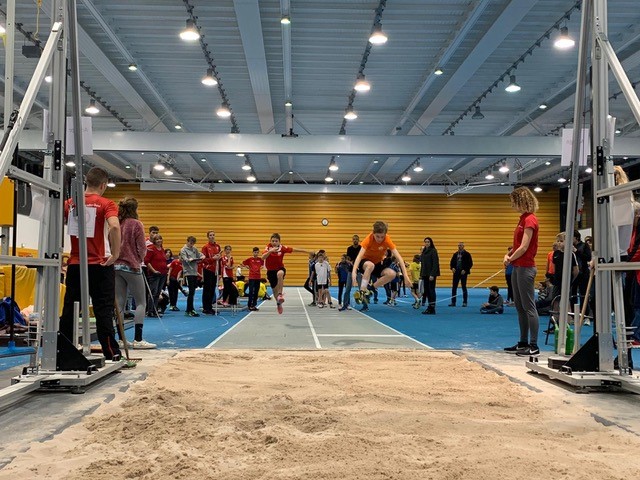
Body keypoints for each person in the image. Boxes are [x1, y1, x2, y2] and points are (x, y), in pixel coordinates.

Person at [59, 167, 125, 362]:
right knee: (103, 309)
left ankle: (62, 352)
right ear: (103, 185)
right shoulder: (106, 203)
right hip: (100, 264)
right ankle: (111, 352)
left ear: (87, 182)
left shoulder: (70, 203)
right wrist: (115, 254)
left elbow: (55, 224)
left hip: (76, 264)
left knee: (70, 310)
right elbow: (114, 226)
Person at [114, 197, 156, 349]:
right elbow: (142, 248)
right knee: (141, 302)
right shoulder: (136, 224)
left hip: (116, 266)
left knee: (119, 302)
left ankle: (120, 340)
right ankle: (138, 339)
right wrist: (139, 259)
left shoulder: (117, 223)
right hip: (132, 266)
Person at [503, 186, 540, 356]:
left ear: (521, 201)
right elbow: (517, 246)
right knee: (519, 306)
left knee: (529, 306)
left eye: (514, 202)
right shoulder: (522, 219)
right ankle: (523, 342)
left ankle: (534, 345)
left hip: (526, 267)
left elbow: (525, 247)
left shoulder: (530, 220)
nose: (512, 205)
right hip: (517, 267)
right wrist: (508, 254)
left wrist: (510, 258)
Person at [351, 221, 411, 313]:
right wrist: (354, 271)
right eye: (377, 236)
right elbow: (359, 257)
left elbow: (399, 258)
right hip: (365, 262)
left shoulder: (387, 239)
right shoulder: (369, 239)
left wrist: (406, 276)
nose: (380, 239)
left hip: (378, 263)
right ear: (373, 233)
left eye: (382, 237)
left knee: (392, 274)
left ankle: (370, 290)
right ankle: (362, 291)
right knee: (370, 265)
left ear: (385, 235)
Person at [262, 233, 309, 314]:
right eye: (273, 241)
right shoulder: (268, 248)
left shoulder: (282, 248)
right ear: (270, 241)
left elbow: (295, 250)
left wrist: (308, 252)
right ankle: (278, 304)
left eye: (276, 241)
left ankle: (280, 294)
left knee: (280, 274)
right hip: (270, 271)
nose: (274, 242)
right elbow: (263, 257)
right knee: (274, 291)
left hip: (280, 268)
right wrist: (270, 251)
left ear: (279, 242)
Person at [180, 236, 204, 317]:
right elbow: (185, 259)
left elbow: (199, 255)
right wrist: (189, 259)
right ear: (187, 241)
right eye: (190, 243)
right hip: (188, 272)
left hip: (194, 272)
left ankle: (189, 309)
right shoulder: (183, 250)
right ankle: (190, 309)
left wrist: (202, 257)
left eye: (193, 243)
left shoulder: (194, 248)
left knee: (193, 291)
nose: (192, 245)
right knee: (191, 292)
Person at [144, 234, 168, 317]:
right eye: (157, 239)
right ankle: (150, 311)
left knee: (158, 293)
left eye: (160, 239)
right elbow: (146, 261)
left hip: (163, 273)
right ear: (154, 241)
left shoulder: (162, 249)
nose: (159, 241)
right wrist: (154, 271)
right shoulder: (151, 248)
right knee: (153, 292)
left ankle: (155, 310)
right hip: (154, 274)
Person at [201, 231, 222, 315]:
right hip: (208, 270)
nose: (212, 236)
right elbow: (203, 260)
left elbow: (219, 260)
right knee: (207, 289)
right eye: (210, 235)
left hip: (215, 270)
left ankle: (210, 307)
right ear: (208, 237)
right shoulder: (205, 247)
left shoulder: (217, 246)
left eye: (213, 235)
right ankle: (205, 308)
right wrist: (213, 258)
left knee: (212, 289)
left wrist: (219, 272)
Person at [420, 237, 440, 314]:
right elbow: (422, 263)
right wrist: (421, 274)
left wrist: (432, 274)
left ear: (431, 242)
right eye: (425, 242)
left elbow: (435, 263)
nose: (427, 243)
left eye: (428, 242)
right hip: (425, 274)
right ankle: (429, 307)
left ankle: (432, 308)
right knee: (427, 291)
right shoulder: (424, 251)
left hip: (431, 274)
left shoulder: (433, 251)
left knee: (431, 290)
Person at [449, 242, 473, 307]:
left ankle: (465, 302)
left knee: (464, 287)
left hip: (463, 273)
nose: (459, 247)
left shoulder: (467, 254)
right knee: (454, 287)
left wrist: (465, 270)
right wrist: (452, 268)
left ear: (463, 246)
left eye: (461, 245)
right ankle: (453, 302)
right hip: (456, 272)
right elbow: (451, 263)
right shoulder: (455, 254)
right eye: (459, 245)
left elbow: (470, 264)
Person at [572, 231, 592, 306]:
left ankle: (584, 309)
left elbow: (588, 257)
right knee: (573, 292)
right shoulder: (570, 246)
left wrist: (576, 251)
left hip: (583, 272)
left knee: (583, 292)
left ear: (576, 237)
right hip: (574, 272)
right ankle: (573, 310)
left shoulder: (584, 245)